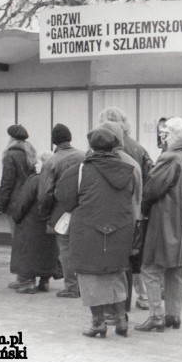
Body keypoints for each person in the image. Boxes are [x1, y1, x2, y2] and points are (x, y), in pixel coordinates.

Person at [56, 127, 139, 338]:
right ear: (114, 146)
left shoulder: (79, 170)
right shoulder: (127, 169)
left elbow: (64, 198)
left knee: (89, 275)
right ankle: (121, 319)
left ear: (91, 146)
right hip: (120, 228)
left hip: (87, 229)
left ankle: (98, 323)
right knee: (116, 272)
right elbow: (132, 198)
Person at [135, 118, 182, 333]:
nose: (163, 137)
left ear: (175, 136)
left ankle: (156, 316)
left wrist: (142, 210)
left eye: (166, 133)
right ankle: (174, 315)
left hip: (163, 220)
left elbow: (152, 188)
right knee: (176, 268)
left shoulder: (169, 158)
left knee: (150, 267)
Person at [98, 108, 153, 310]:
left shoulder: (111, 151)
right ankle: (142, 295)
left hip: (116, 213)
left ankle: (119, 303)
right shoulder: (138, 147)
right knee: (133, 256)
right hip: (135, 211)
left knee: (119, 259)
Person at [37, 123, 86, 298]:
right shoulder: (84, 156)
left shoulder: (52, 161)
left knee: (65, 249)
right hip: (83, 210)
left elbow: (45, 192)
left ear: (54, 142)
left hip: (61, 212)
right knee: (81, 248)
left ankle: (71, 287)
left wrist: (43, 213)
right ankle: (83, 285)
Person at [0, 124, 38, 288]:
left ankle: (23, 278)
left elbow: (7, 182)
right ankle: (29, 276)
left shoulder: (10, 155)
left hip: (14, 203)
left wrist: (0, 203)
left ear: (11, 138)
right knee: (28, 239)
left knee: (18, 241)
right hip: (29, 201)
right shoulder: (30, 153)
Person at [8, 151, 59, 294]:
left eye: (38, 161)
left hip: (31, 224)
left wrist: (16, 217)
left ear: (43, 163)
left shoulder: (35, 180)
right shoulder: (56, 180)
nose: (36, 164)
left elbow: (22, 204)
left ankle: (27, 281)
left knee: (27, 250)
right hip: (49, 225)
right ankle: (45, 281)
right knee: (47, 252)